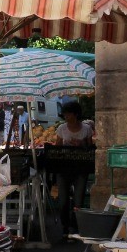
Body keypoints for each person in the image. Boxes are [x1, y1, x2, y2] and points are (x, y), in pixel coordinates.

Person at [54, 100, 94, 240]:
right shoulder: (61, 129)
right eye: (65, 114)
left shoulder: (86, 129)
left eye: (69, 114)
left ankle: (76, 227)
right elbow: (56, 148)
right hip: (64, 168)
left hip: (81, 168)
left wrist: (81, 144)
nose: (66, 117)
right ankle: (65, 227)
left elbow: (91, 149)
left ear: (76, 114)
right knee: (63, 200)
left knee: (78, 200)